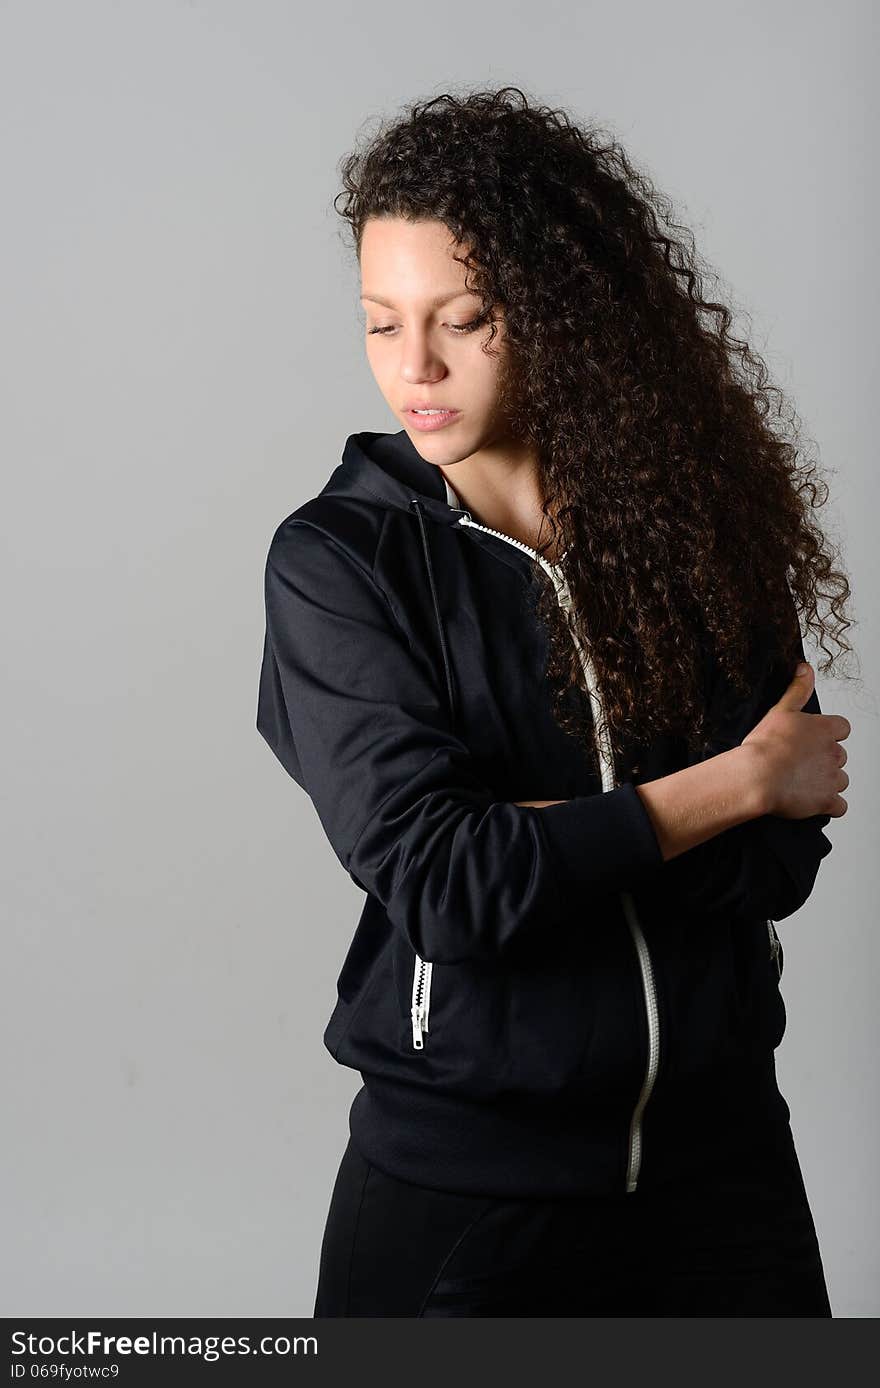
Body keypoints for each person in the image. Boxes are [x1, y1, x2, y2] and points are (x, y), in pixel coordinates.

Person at [256, 88, 854, 1317]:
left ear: (564, 316)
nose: (411, 368)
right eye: (380, 324)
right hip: (464, 1193)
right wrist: (729, 784)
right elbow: (445, 884)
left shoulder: (687, 528)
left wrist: (544, 843)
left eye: (462, 320)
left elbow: (775, 868)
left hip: (724, 1173)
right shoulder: (340, 564)